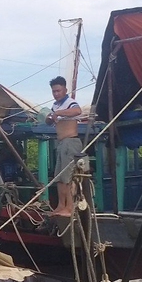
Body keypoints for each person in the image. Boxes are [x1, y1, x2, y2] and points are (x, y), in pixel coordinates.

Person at [46, 76, 83, 216]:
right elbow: (51, 121)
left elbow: (77, 111)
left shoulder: (70, 102)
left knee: (68, 177)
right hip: (61, 143)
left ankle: (70, 207)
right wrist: (49, 117)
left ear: (65, 90)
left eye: (58, 91)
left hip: (70, 141)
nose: (56, 94)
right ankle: (61, 206)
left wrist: (59, 113)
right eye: (54, 91)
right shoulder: (55, 105)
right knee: (59, 178)